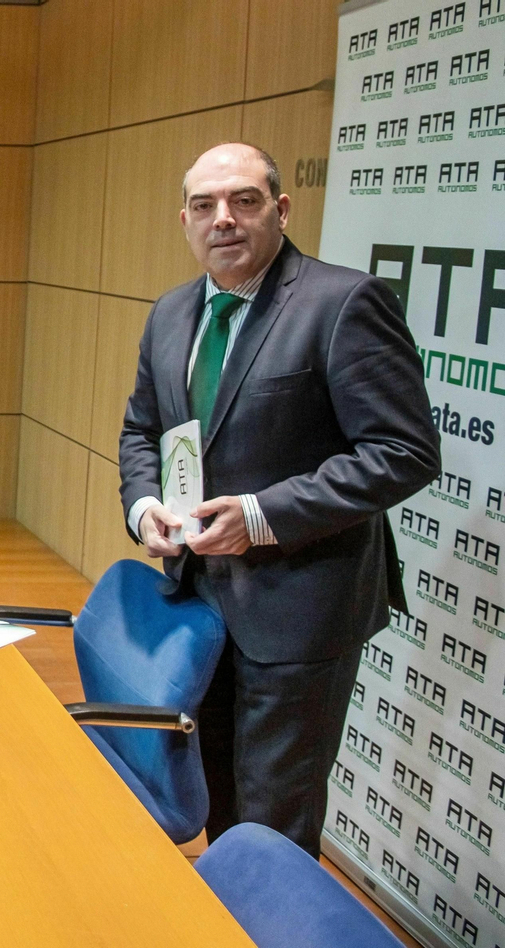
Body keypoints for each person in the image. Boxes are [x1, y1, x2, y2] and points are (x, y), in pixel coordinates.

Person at [118, 142, 441, 856]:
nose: (223, 220)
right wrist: (147, 510)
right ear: (185, 220)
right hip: (197, 599)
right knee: (216, 796)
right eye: (204, 206)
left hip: (299, 609)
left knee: (273, 822)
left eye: (244, 201)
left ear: (281, 209)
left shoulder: (343, 303)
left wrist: (261, 518)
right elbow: (143, 430)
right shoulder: (172, 314)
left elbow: (404, 452)